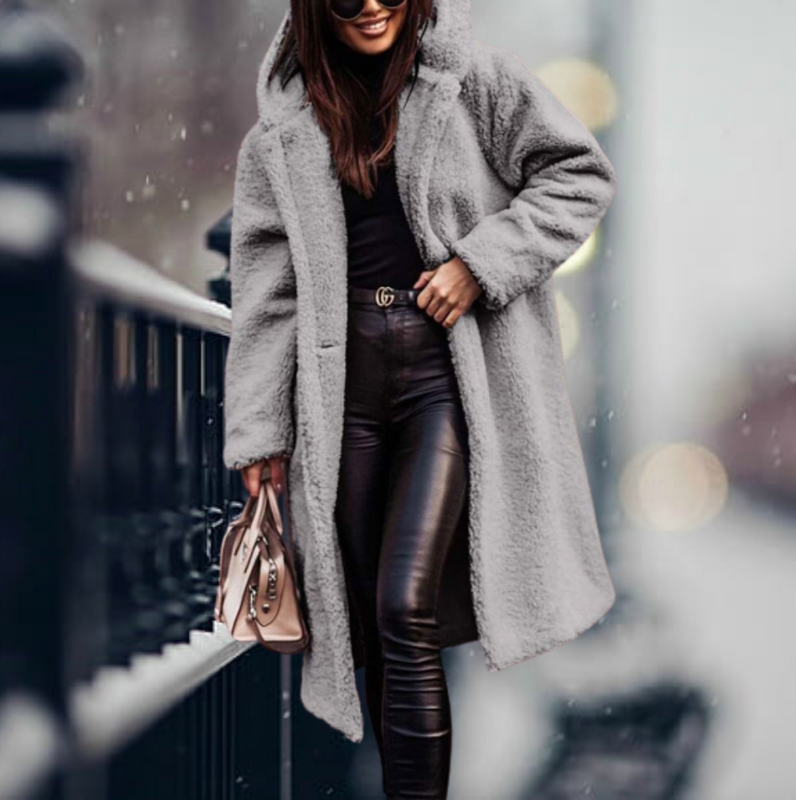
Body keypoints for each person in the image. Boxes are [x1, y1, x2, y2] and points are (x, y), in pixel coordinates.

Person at [223, 0, 618, 797]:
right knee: (370, 622)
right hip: (342, 400)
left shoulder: (472, 78)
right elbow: (267, 295)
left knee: (407, 605)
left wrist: (480, 263)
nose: (369, 6)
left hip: (446, 381)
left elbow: (580, 174)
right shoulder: (281, 130)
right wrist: (259, 430)